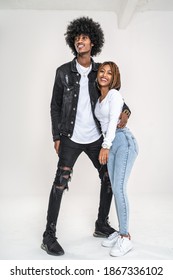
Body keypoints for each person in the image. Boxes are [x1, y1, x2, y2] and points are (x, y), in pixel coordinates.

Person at [41, 17, 131, 256]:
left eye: (84, 37)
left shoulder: (99, 71)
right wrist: (56, 136)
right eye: (76, 38)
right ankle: (48, 235)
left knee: (108, 178)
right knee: (60, 183)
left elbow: (115, 97)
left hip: (95, 140)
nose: (79, 40)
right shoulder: (63, 72)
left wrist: (126, 113)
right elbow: (55, 106)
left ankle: (101, 224)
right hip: (70, 137)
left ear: (93, 42)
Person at [95, 61, 138, 257]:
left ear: (114, 78)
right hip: (112, 142)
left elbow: (113, 120)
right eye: (102, 71)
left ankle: (125, 237)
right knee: (114, 187)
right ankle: (120, 231)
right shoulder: (99, 99)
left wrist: (105, 146)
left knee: (119, 189)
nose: (104, 75)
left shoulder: (114, 95)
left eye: (109, 73)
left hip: (122, 142)